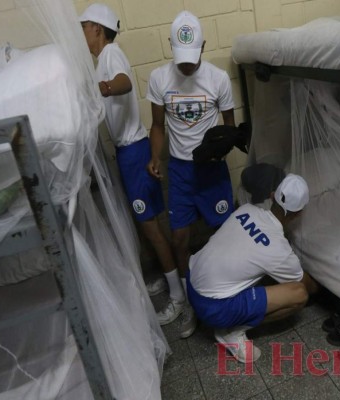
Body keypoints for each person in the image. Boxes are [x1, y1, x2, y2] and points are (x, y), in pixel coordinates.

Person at [79, 4, 196, 339]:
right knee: (151, 226)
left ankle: (177, 296)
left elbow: (124, 84)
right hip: (132, 150)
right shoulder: (103, 57)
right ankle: (170, 275)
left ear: (97, 29)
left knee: (150, 229)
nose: (82, 34)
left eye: (84, 27)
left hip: (133, 152)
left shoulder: (110, 55)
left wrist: (96, 90)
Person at [146, 11, 236, 324]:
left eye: (193, 57)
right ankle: (189, 301)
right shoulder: (159, 78)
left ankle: (227, 290)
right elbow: (157, 125)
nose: (187, 65)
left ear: (204, 45)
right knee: (180, 238)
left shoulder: (218, 78)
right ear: (171, 45)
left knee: (224, 233)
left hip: (211, 171)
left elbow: (229, 126)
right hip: (181, 172)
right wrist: (156, 156)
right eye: (181, 57)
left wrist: (221, 149)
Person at [187, 174, 319, 362]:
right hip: (212, 307)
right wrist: (320, 287)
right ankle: (232, 331)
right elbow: (306, 285)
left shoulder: (247, 209)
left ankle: (224, 310)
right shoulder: (278, 249)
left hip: (192, 277)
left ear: (272, 195)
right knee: (299, 294)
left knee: (256, 267)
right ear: (300, 212)